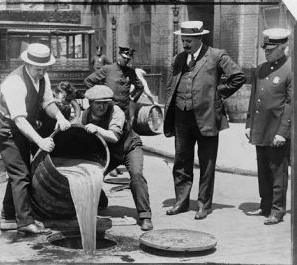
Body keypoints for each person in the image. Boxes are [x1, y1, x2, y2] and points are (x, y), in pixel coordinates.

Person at [164, 21, 246, 219]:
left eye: (189, 40)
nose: (185, 44)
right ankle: (181, 202)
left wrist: (217, 94)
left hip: (207, 116)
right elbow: (172, 84)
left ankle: (204, 205)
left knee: (207, 163)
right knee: (181, 161)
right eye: (183, 40)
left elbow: (238, 76)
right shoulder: (179, 58)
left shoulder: (217, 55)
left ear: (200, 38)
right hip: (181, 116)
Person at [0, 43, 71, 235]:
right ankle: (25, 221)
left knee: (20, 171)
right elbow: (19, 119)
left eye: (44, 69)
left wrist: (60, 116)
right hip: (6, 127)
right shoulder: (15, 82)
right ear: (27, 63)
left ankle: (9, 217)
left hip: (20, 125)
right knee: (20, 173)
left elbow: (47, 102)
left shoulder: (42, 76)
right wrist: (40, 141)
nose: (41, 73)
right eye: (38, 69)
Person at [77, 84, 153, 231]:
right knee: (92, 174)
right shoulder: (85, 115)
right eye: (98, 103)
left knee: (137, 175)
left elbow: (114, 136)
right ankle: (101, 200)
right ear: (91, 103)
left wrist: (97, 129)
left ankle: (145, 216)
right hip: (110, 151)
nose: (102, 107)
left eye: (105, 103)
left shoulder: (116, 111)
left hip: (130, 147)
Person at [245, 28, 291, 225]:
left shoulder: (290, 70)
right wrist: (249, 124)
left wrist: (283, 132)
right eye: (266, 49)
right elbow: (254, 98)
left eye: (271, 49)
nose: (267, 52)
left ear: (283, 48)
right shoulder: (261, 69)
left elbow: (291, 104)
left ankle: (277, 210)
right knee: (263, 169)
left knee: (278, 172)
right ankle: (265, 205)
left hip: (277, 130)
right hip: (260, 128)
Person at [84, 46, 144, 127]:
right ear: (119, 56)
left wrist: (133, 99)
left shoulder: (131, 72)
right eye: (124, 58)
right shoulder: (108, 69)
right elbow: (88, 81)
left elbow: (140, 87)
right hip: (109, 109)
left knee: (124, 133)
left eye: (128, 59)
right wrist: (98, 97)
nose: (126, 61)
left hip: (124, 110)